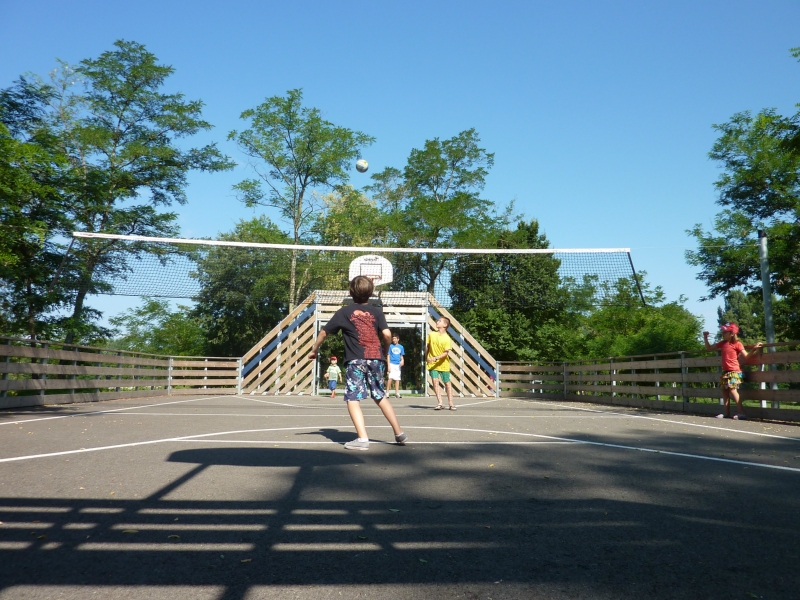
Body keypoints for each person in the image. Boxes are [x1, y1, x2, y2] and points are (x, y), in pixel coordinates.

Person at [307, 275, 407, 450]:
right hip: (376, 358)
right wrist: (384, 351)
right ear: (371, 293)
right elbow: (387, 335)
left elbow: (324, 333)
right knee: (380, 395)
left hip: (356, 360)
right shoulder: (376, 311)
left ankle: (362, 439)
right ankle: (399, 432)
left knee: (353, 398)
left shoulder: (343, 312)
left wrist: (314, 349)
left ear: (350, 292)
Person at [702, 322, 763, 420]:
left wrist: (754, 349)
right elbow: (709, 348)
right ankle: (726, 413)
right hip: (725, 371)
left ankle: (741, 413)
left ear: (732, 333)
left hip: (734, 371)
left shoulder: (737, 344)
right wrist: (705, 337)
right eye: (723, 331)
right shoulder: (722, 343)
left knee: (733, 390)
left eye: (725, 332)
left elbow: (746, 356)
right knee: (725, 391)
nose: (723, 333)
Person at [427, 316, 455, 410]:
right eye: (437, 320)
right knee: (435, 381)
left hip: (443, 364)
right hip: (432, 364)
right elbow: (427, 347)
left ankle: (451, 403)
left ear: (445, 325)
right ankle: (440, 403)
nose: (437, 322)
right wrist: (426, 357)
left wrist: (435, 358)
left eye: (439, 321)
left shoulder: (447, 338)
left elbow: (445, 353)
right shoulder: (431, 334)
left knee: (447, 383)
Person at [387, 334, 405, 399]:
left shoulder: (401, 347)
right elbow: (388, 356)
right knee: (390, 378)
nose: (394, 340)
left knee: (397, 379)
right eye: (393, 338)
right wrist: (388, 365)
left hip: (398, 365)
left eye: (395, 338)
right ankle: (387, 393)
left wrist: (402, 360)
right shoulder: (390, 346)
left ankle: (397, 393)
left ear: (398, 339)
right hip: (392, 364)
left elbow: (401, 356)